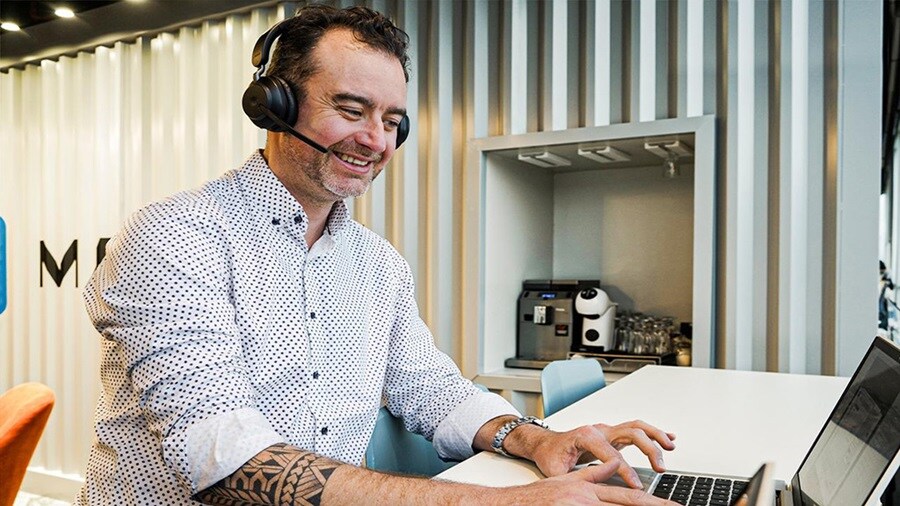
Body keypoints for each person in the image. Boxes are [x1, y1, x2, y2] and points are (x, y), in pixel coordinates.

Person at [76, 4, 676, 505]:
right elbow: (220, 458)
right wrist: (502, 502)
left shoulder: (377, 263)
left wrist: (535, 439)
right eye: (351, 109)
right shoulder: (174, 235)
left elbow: (431, 388)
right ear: (274, 106)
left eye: (392, 121)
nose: (375, 141)